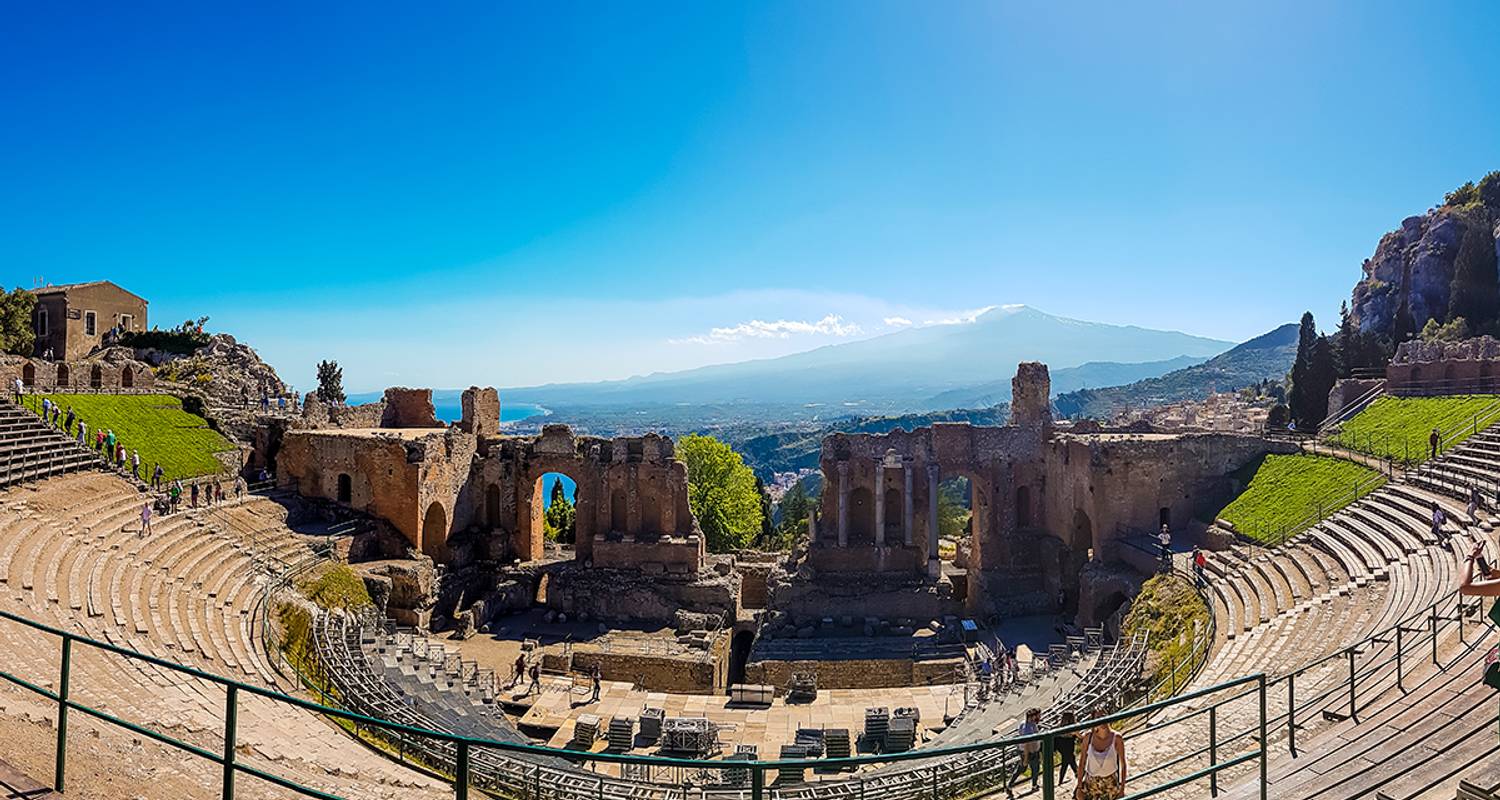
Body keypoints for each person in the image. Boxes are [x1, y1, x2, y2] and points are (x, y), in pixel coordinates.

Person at [1076, 710, 1126, 800]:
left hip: (1110, 784)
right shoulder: (1088, 737)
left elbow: (1123, 764)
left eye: (1103, 716)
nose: (1101, 720)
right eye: (1098, 718)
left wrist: (1122, 789)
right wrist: (1079, 787)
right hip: (1091, 784)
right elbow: (1082, 762)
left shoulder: (1117, 738)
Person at [1008, 708, 1044, 795]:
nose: (1040, 717)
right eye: (1038, 715)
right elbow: (1027, 744)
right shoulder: (1028, 728)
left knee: (1022, 769)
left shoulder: (1025, 724)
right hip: (1030, 752)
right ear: (1033, 716)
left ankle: (1010, 784)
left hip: (1026, 751)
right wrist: (1026, 758)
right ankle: (1034, 785)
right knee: (1034, 768)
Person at [1056, 710, 1080, 785]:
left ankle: (1076, 774)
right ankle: (1077, 774)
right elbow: (1077, 734)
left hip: (1061, 746)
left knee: (1069, 760)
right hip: (1069, 745)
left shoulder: (1060, 725)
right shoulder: (1072, 726)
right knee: (1068, 761)